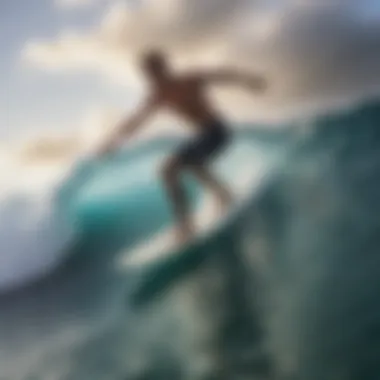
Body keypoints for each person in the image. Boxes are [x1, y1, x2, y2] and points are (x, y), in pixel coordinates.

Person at [98, 49, 267, 244]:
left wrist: (250, 81)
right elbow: (136, 121)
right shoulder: (158, 96)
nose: (151, 77)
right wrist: (111, 142)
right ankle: (222, 195)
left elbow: (222, 75)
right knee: (179, 168)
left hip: (217, 131)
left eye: (153, 72)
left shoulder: (188, 80)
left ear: (163, 68)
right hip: (202, 135)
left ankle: (188, 222)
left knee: (175, 167)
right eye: (147, 74)